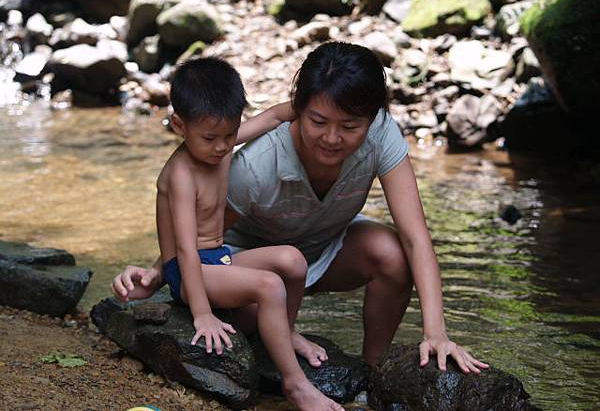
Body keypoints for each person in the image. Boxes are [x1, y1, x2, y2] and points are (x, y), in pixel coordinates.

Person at [113, 42, 488, 376]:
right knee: (253, 312)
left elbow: (415, 235)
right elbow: (197, 238)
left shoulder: (381, 134)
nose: (332, 138)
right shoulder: (256, 166)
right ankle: (277, 363)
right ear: (299, 109)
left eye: (350, 125)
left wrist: (436, 333)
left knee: (394, 253)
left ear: (373, 118)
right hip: (251, 265)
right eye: (318, 121)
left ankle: (372, 374)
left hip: (316, 256)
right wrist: (159, 274)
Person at [134, 56, 344, 411]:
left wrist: (322, 111)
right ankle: (296, 385)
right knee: (269, 285)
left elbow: (275, 116)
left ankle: (286, 332)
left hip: (218, 257)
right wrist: (201, 314)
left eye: (231, 134)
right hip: (188, 273)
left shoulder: (219, 142)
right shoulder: (181, 174)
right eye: (211, 137)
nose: (222, 146)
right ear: (178, 126)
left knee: (292, 259)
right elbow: (185, 250)